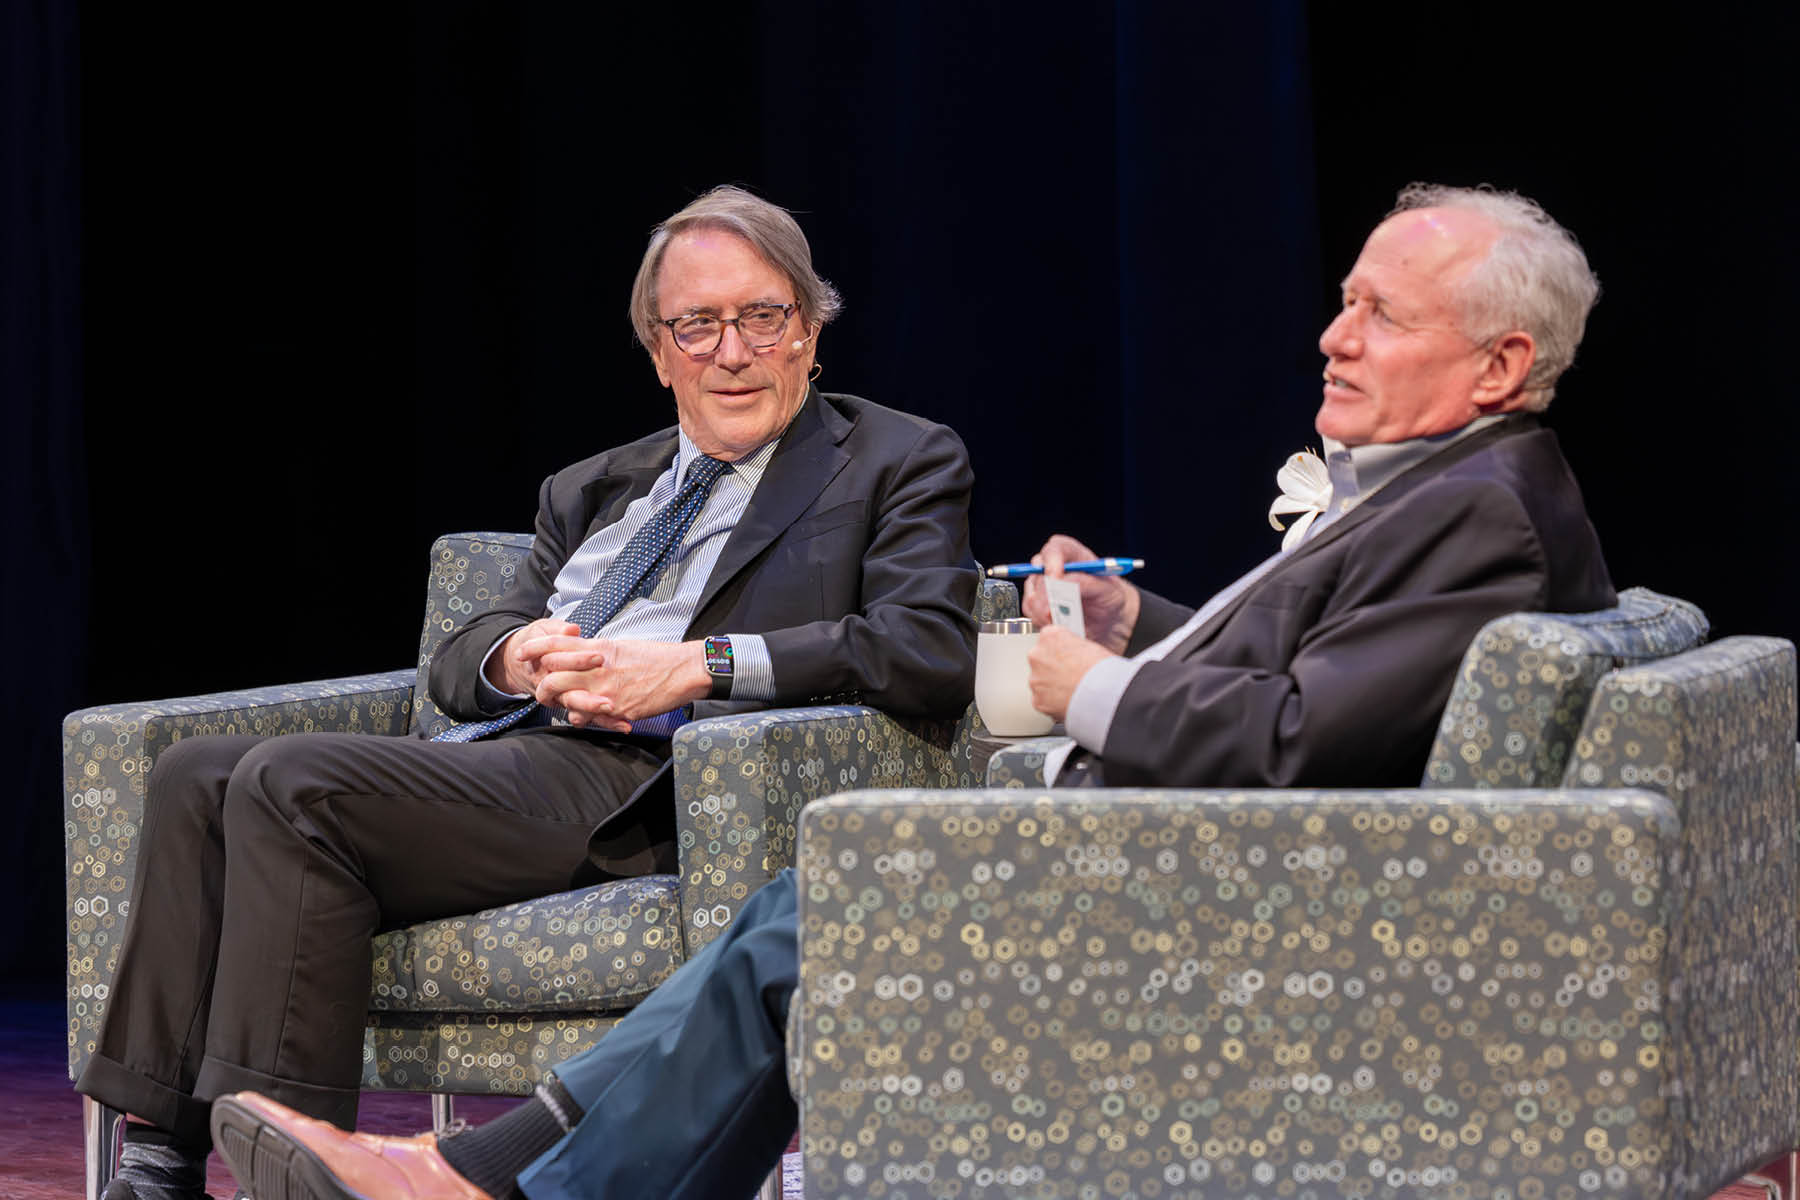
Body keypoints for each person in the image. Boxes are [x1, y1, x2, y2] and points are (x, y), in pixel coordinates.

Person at [207, 182, 1615, 1200]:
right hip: (1175, 846)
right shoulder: (1453, 493)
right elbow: (1317, 679)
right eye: (1346, 301)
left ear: (1501, 363)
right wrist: (1142, 622)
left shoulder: (1481, 513)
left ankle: (482, 1181)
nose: (1335, 336)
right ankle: (474, 1175)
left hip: (1218, 887)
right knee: (802, 906)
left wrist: (1091, 686)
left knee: (821, 901)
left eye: (1380, 314)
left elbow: (1297, 739)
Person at [76, 185, 979, 1200]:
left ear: (809, 331)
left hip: (655, 780)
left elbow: (927, 646)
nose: (732, 351)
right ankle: (157, 1159)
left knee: (294, 785)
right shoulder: (593, 487)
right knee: (196, 775)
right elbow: (463, 655)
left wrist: (699, 664)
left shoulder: (895, 458)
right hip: (515, 761)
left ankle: (279, 1166)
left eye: (762, 317)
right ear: (660, 352)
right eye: (697, 325)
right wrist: (516, 658)